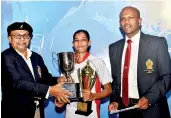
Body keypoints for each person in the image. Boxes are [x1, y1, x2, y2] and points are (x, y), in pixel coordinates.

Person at [108, 6, 171, 118]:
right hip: (125, 110)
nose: (126, 21)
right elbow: (116, 81)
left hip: (152, 110)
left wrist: (149, 98)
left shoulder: (157, 43)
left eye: (130, 17)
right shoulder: (114, 48)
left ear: (139, 21)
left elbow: (167, 77)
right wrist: (114, 100)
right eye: (123, 18)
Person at [1, 22, 72, 118]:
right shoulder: (5, 57)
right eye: (17, 36)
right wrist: (50, 90)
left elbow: (45, 78)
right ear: (10, 38)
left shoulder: (36, 57)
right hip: (16, 112)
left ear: (30, 38)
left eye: (26, 35)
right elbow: (17, 83)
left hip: (37, 110)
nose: (22, 39)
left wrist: (58, 80)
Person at [55, 29, 113, 118]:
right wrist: (60, 100)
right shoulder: (67, 62)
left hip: (91, 114)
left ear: (89, 42)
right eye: (76, 40)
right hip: (70, 113)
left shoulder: (97, 62)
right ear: (73, 43)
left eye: (83, 40)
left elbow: (108, 90)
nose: (80, 43)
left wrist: (93, 96)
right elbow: (64, 89)